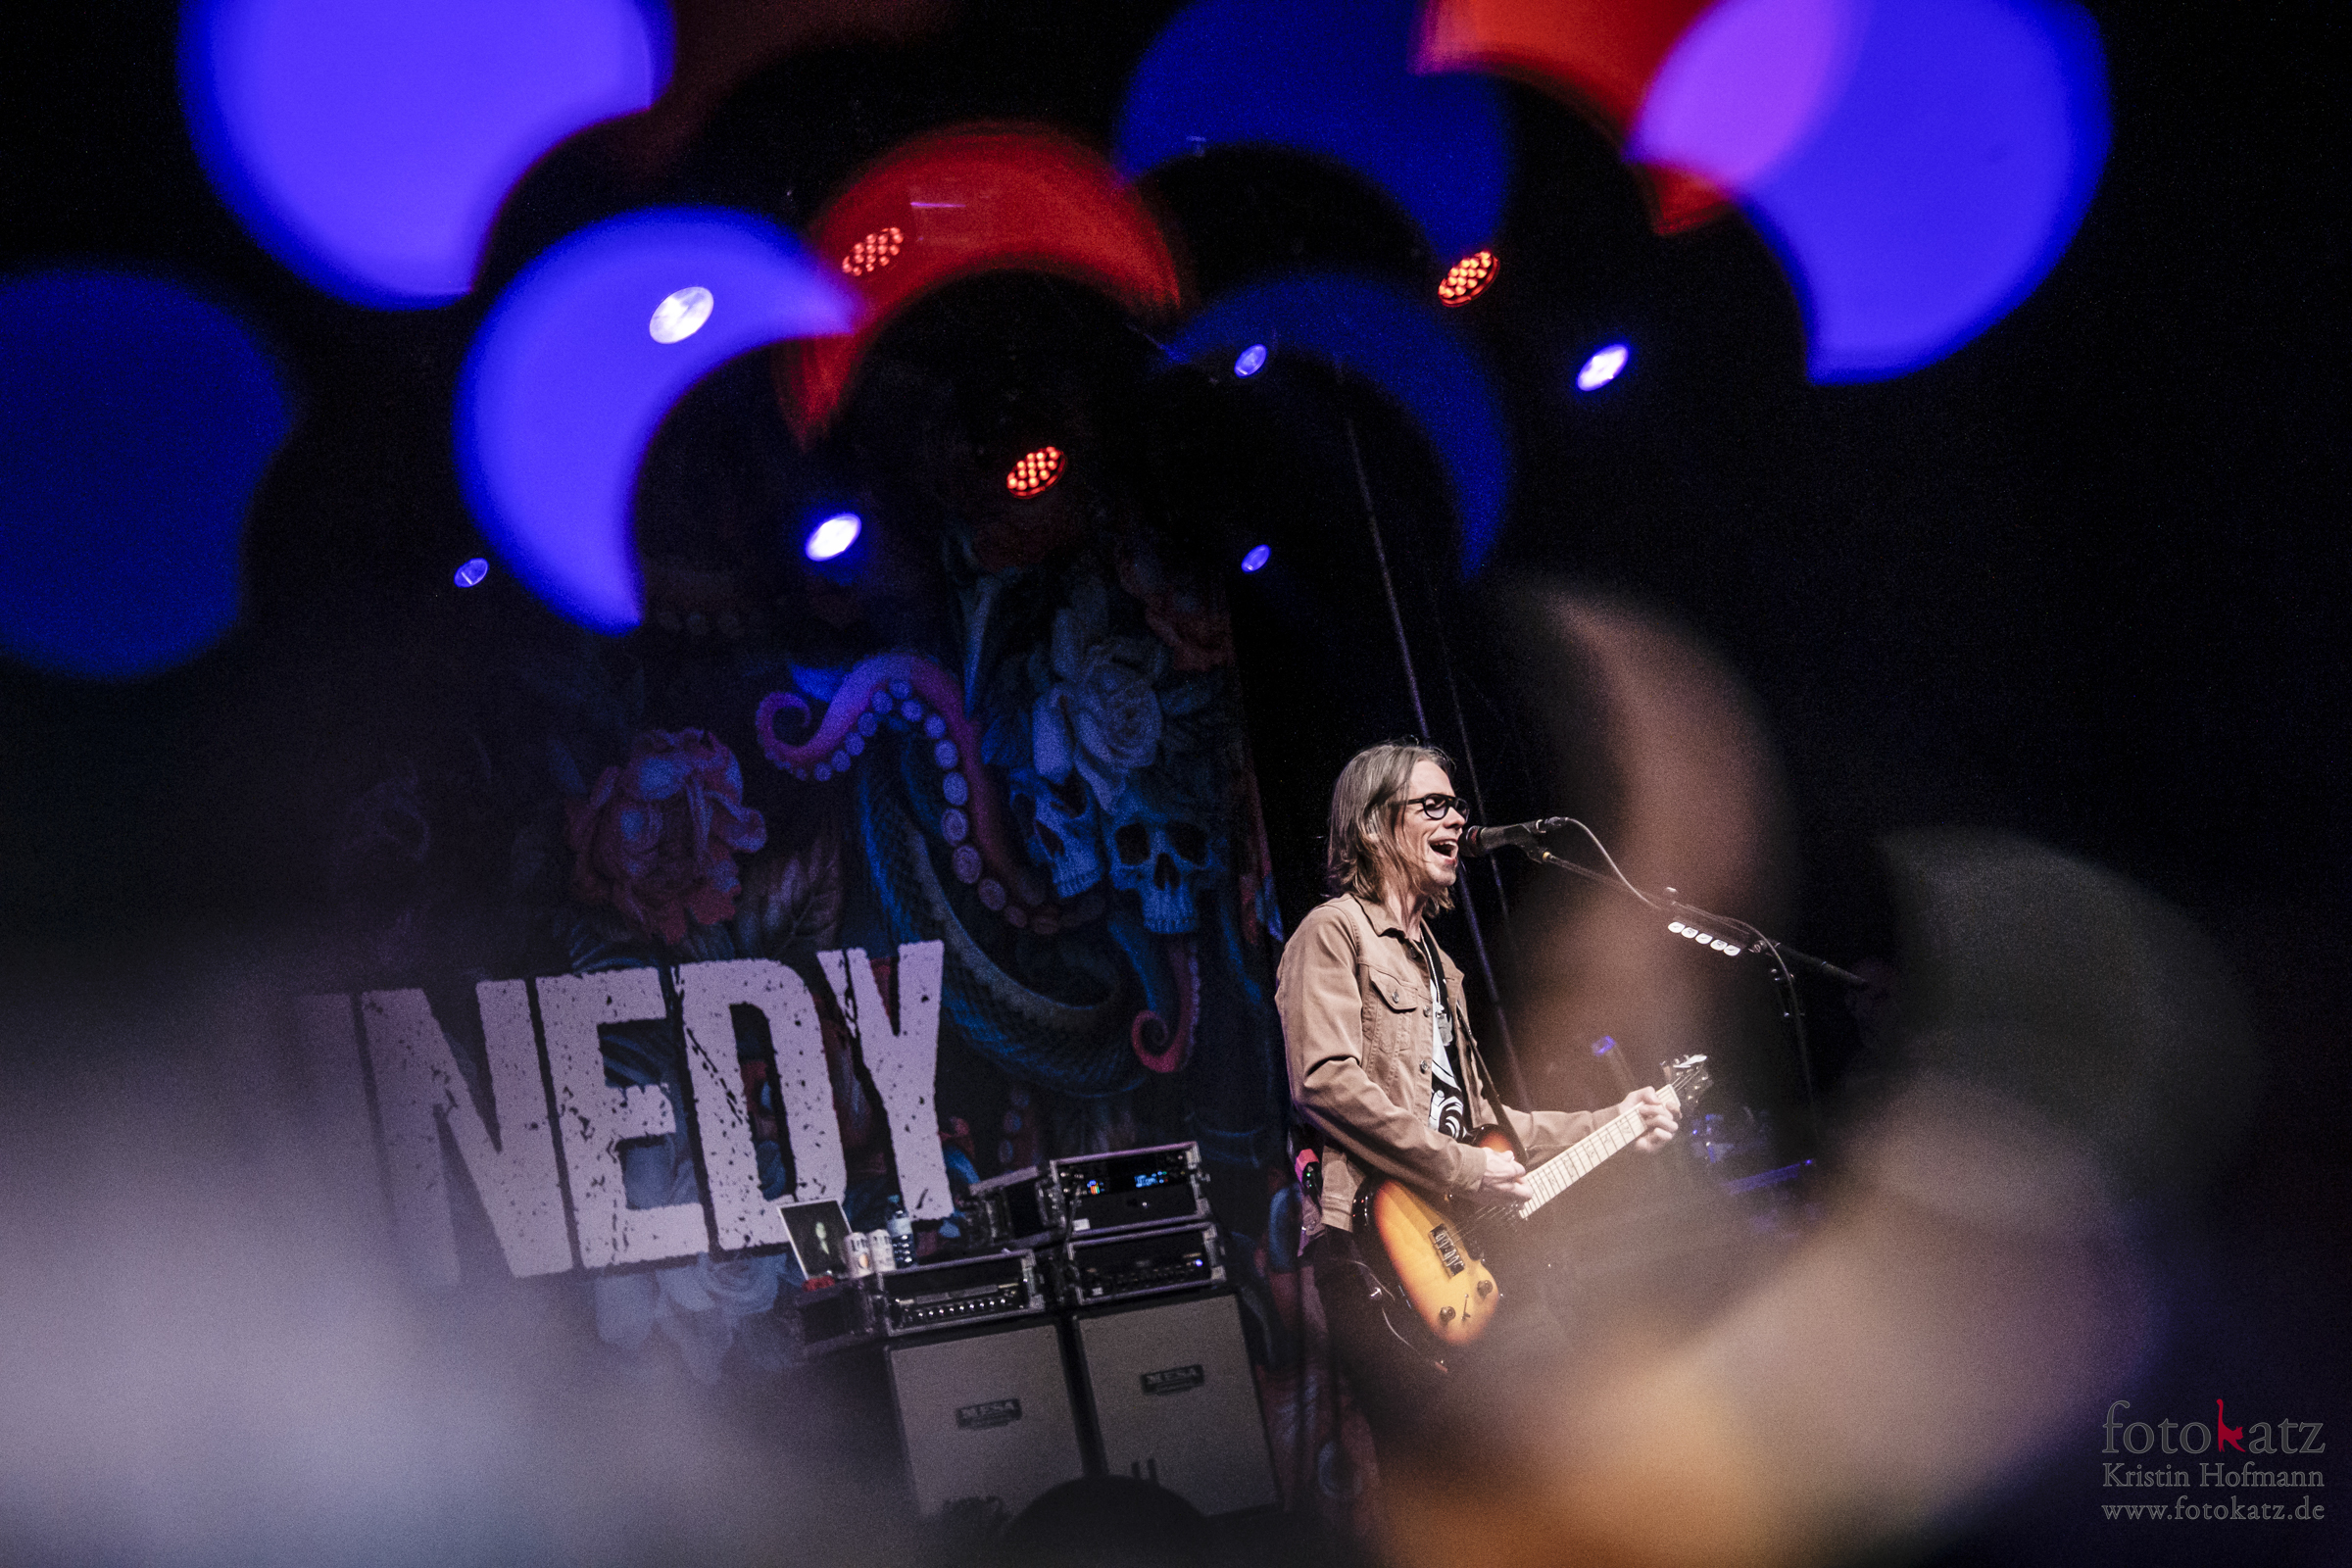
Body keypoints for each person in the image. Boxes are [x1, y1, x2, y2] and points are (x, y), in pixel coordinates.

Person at [1275, 740, 1680, 1464]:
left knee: (1559, 1445)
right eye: (1433, 805)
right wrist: (1464, 1167)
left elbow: (1486, 1124)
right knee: (1446, 1469)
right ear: (1374, 824)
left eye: (1457, 805)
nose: (1458, 820)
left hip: (1466, 1248)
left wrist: (1613, 1121)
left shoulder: (1442, 966)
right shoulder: (1332, 933)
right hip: (1377, 1249)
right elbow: (1324, 1081)